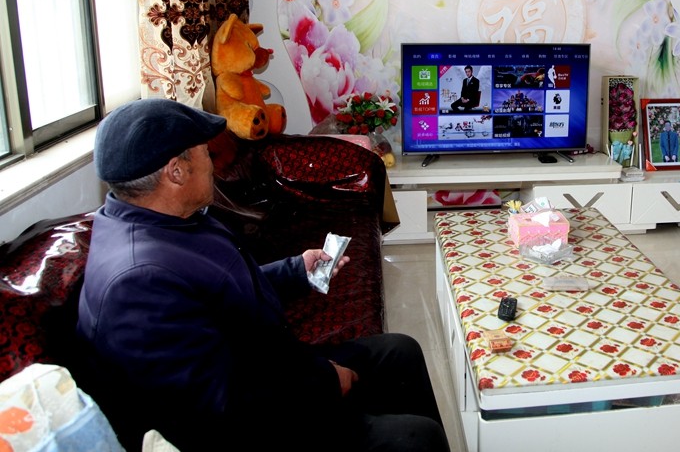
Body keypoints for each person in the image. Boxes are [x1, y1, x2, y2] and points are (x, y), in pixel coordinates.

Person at [75, 99, 449, 452]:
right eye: (206, 153)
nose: (213, 164)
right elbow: (219, 406)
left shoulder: (167, 221)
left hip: (265, 365)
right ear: (176, 171)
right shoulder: (139, 283)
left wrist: (295, 270)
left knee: (400, 352)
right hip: (245, 425)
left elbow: (221, 294)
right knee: (418, 438)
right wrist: (323, 380)